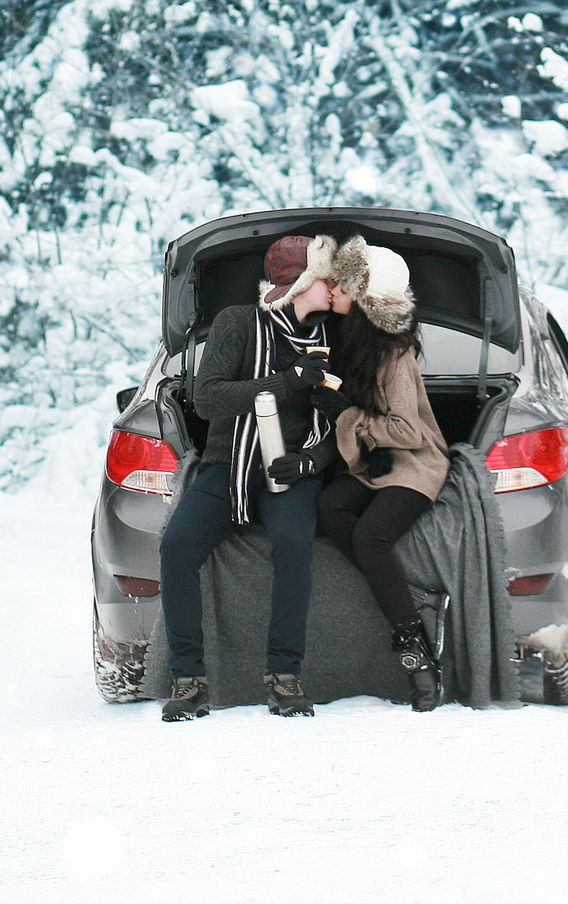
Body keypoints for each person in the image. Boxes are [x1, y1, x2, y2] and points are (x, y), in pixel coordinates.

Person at [158, 232, 345, 721]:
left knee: (294, 544)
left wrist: (310, 463)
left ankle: (284, 677)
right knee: (176, 545)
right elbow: (209, 398)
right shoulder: (238, 323)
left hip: (291, 470)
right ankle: (188, 679)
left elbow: (343, 424)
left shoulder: (333, 338)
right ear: (301, 281)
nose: (334, 287)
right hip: (229, 464)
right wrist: (288, 383)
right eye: (326, 277)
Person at [310, 238, 450, 712]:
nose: (332, 289)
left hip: (414, 462)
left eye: (342, 284)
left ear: (366, 298)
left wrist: (348, 418)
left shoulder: (393, 356)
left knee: (371, 538)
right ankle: (404, 595)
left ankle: (417, 655)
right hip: (375, 462)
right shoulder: (348, 341)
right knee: (329, 506)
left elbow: (408, 431)